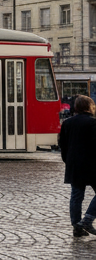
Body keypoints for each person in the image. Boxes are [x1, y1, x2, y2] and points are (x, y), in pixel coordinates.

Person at [60, 94, 96, 237]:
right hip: (91, 164)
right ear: (90, 107)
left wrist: (68, 160)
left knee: (76, 196)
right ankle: (87, 219)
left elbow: (63, 145)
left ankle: (77, 227)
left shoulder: (67, 123)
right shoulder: (93, 123)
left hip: (74, 164)